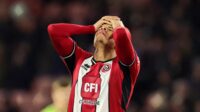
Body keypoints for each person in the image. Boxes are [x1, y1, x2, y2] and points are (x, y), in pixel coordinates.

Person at [47, 16, 140, 112]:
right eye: (101, 27)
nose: (103, 28)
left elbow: (122, 36)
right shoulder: (79, 59)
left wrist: (117, 23)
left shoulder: (125, 65)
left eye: (110, 28)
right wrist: (91, 28)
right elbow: (54, 30)